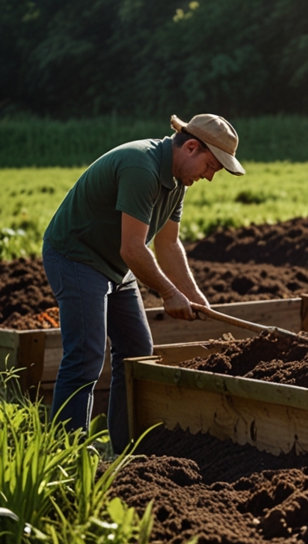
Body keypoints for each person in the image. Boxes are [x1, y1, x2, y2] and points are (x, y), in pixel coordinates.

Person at [42, 113, 245, 452]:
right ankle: (66, 452)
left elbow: (168, 245)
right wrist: (168, 293)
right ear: (191, 147)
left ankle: (125, 449)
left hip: (115, 265)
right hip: (76, 256)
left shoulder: (177, 181)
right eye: (211, 166)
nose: (210, 177)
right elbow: (133, 248)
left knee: (137, 351)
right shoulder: (142, 167)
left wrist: (195, 296)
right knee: (86, 355)